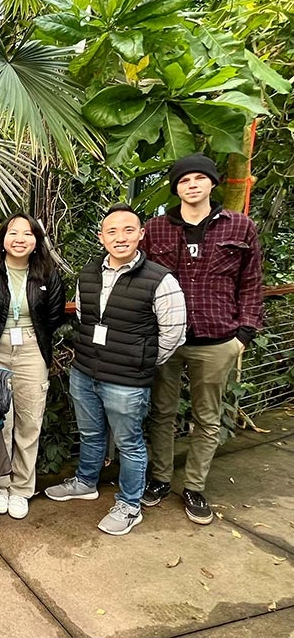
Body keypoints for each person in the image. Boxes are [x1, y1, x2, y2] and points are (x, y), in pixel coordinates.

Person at [44, 204, 186, 536]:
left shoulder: (160, 279)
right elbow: (83, 316)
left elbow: (174, 333)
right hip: (85, 371)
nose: (119, 237)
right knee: (91, 434)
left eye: (127, 230)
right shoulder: (89, 273)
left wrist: (140, 362)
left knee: (129, 442)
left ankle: (129, 504)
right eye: (112, 231)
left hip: (126, 380)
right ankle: (85, 482)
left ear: (140, 234)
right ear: (101, 237)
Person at [140, 153, 264, 525]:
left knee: (206, 417)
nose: (191, 185)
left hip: (217, 338)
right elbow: (139, 277)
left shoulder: (240, 227)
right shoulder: (156, 228)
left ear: (213, 183)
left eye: (199, 178)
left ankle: (194, 486)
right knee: (161, 412)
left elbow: (251, 283)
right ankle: (161, 479)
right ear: (175, 188)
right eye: (183, 180)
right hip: (167, 339)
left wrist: (243, 334)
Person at [0, 214, 66, 520]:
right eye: (13, 233)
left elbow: (55, 315)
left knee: (30, 423)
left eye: (28, 234)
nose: (20, 239)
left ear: (36, 241)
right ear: (3, 239)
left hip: (33, 349)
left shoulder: (48, 274)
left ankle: (21, 488)